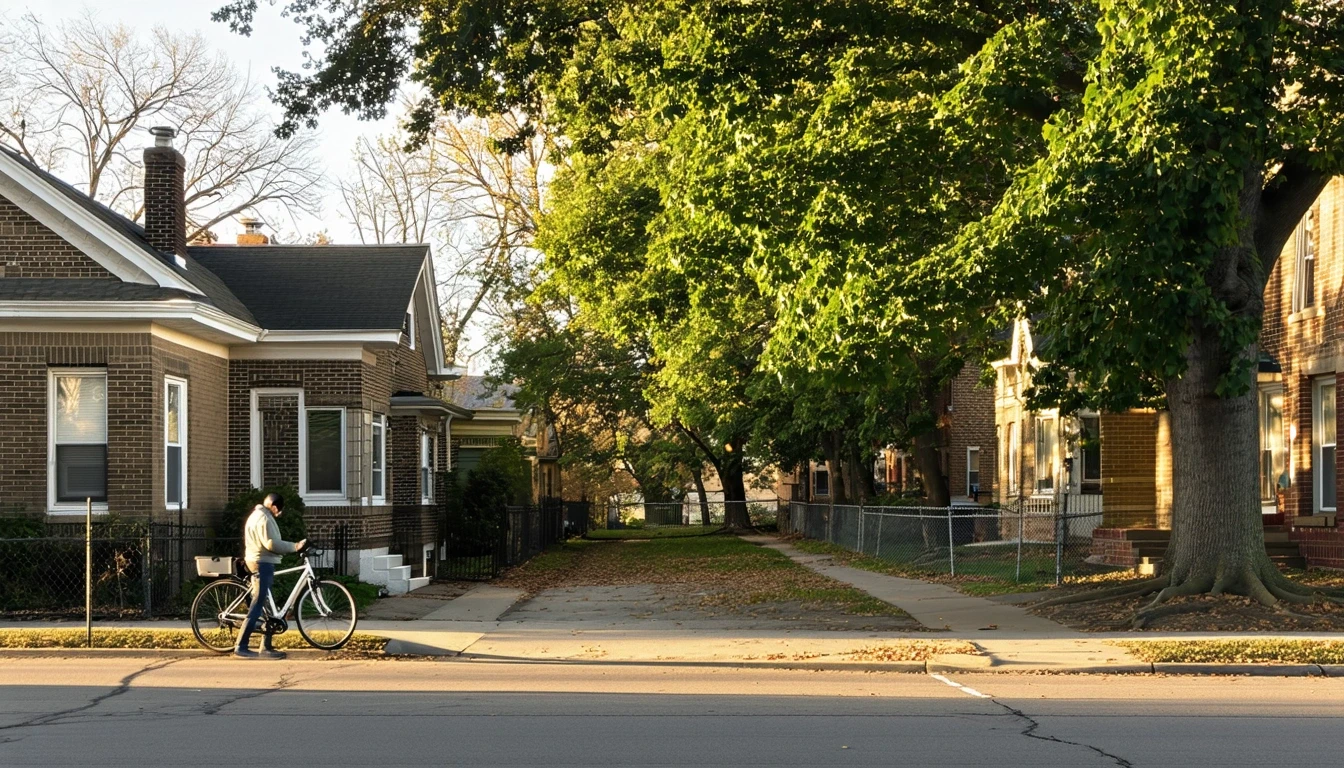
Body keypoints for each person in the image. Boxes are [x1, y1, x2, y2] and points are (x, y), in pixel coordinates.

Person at [235, 492, 306, 659]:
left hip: (258, 560)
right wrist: (295, 546)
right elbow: (271, 543)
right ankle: (241, 645)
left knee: (267, 606)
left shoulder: (257, 515)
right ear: (274, 507)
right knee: (258, 603)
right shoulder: (264, 518)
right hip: (262, 562)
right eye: (279, 510)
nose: (279, 514)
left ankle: (266, 647)